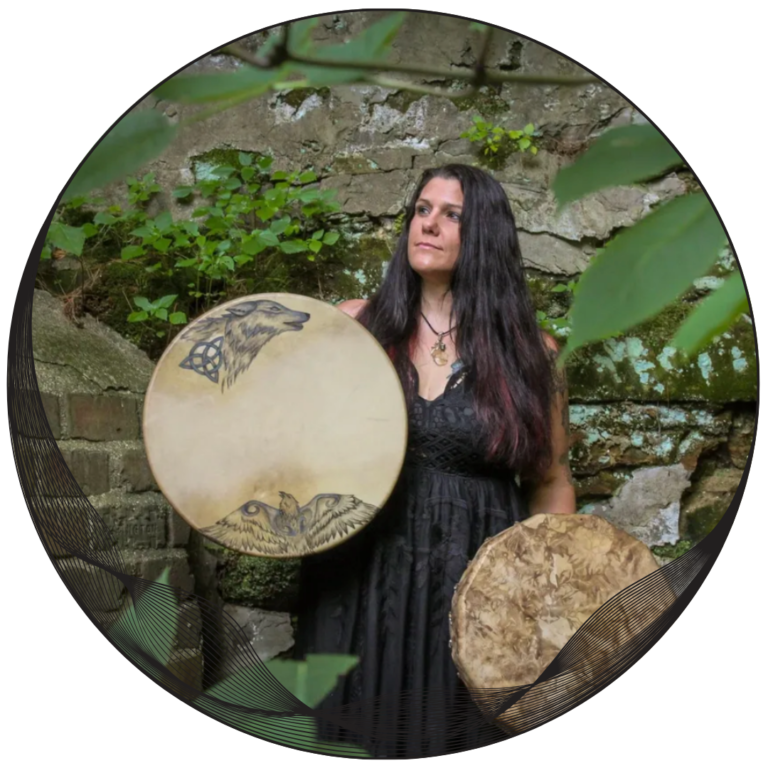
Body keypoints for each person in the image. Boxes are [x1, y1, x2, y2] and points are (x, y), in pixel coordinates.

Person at [292, 164, 576, 757]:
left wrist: (544, 599)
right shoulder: (356, 327)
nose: (430, 224)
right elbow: (296, 441)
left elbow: (549, 481)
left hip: (474, 581)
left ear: (486, 236)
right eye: (423, 209)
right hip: (361, 571)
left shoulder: (532, 353)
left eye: (453, 215)